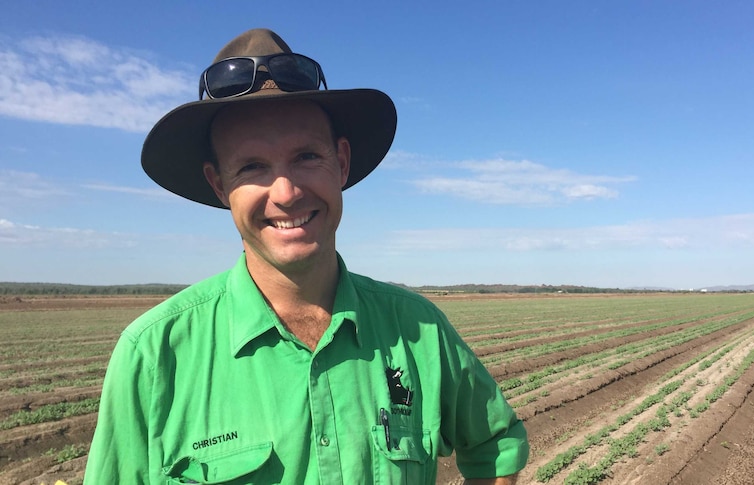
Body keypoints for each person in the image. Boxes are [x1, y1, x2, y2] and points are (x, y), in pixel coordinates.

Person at [84, 28, 528, 484]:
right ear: (220, 186)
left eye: (307, 156)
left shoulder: (419, 331)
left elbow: (496, 446)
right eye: (252, 166)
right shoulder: (154, 357)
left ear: (341, 162)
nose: (287, 192)